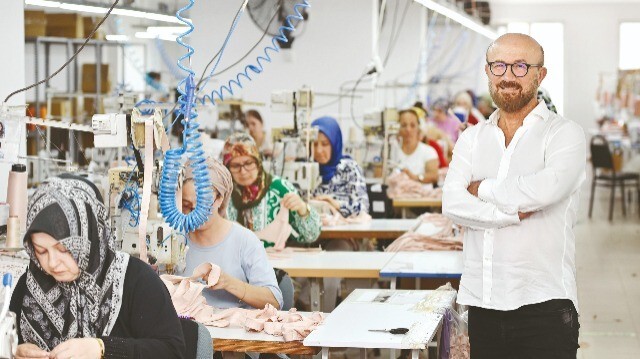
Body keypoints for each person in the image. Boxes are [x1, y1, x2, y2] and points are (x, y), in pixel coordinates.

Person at [442, 33, 584, 358]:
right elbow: (452, 202)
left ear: (540, 74)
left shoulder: (564, 134)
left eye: (520, 66)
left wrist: (483, 189)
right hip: (484, 304)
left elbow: (547, 187)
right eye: (499, 65)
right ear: (488, 72)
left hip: (545, 304)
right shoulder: (472, 140)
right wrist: (507, 214)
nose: (508, 76)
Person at [10, 175, 185, 359]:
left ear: (91, 237)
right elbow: (10, 339)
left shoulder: (136, 280)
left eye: (64, 249)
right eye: (41, 251)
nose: (52, 263)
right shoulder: (30, 285)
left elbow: (172, 351)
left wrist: (102, 348)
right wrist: (15, 350)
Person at [180, 157, 283, 309]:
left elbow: (275, 301)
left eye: (202, 207)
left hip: (233, 331)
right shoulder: (174, 239)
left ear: (220, 199)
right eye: (187, 206)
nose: (195, 214)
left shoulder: (244, 241)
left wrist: (229, 283)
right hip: (186, 329)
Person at [222, 133, 321, 247]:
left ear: (258, 161)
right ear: (227, 167)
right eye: (235, 165)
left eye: (248, 163)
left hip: (273, 263)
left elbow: (311, 236)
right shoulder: (222, 194)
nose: (243, 171)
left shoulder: (280, 189)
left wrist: (303, 210)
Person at [311, 116, 369, 218]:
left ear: (335, 144)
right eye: (314, 144)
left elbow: (363, 208)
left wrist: (336, 204)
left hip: (345, 232)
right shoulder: (305, 170)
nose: (319, 150)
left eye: (324, 144)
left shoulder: (349, 169)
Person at [394, 108, 439, 184]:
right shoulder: (391, 152)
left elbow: (434, 176)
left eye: (412, 125)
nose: (408, 129)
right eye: (404, 125)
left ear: (418, 128)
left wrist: (415, 177)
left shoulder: (429, 151)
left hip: (423, 194)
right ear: (398, 128)